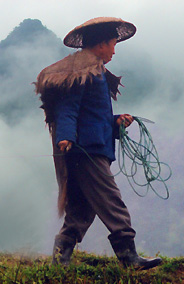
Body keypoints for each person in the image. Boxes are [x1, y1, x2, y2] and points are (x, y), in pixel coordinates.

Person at [35, 17, 162, 270]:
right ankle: (129, 257)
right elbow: (68, 108)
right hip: (86, 151)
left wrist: (117, 122)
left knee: (82, 209)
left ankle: (60, 261)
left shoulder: (98, 73)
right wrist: (66, 136)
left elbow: (95, 117)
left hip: (92, 147)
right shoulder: (84, 72)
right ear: (102, 44)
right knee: (111, 200)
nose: (115, 50)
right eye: (113, 44)